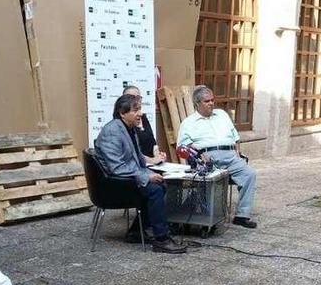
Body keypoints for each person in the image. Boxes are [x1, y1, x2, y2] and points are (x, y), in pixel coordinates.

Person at [92, 94, 187, 254]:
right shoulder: (112, 132)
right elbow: (117, 167)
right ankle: (161, 239)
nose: (140, 113)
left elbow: (134, 157)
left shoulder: (128, 128)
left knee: (160, 184)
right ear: (123, 113)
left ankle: (136, 232)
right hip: (113, 185)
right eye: (136, 110)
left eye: (140, 109)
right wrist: (146, 176)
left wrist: (152, 166)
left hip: (124, 179)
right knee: (155, 190)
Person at [176, 85, 258, 229]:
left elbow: (235, 137)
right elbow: (183, 147)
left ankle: (242, 215)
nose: (211, 103)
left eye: (212, 100)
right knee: (205, 181)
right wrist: (199, 155)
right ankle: (207, 217)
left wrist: (237, 153)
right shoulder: (188, 123)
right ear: (197, 104)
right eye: (207, 101)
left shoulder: (222, 115)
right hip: (207, 157)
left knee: (249, 174)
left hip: (230, 156)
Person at [117, 85, 166, 165]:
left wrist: (158, 156)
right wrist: (152, 160)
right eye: (131, 98)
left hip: (151, 164)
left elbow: (153, 143)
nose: (136, 101)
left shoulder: (143, 117)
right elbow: (131, 153)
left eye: (138, 98)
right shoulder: (121, 124)